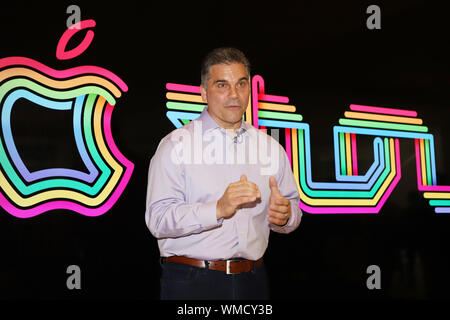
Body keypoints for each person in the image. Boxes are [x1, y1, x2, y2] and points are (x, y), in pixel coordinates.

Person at [145, 47, 302, 300]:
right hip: (192, 282)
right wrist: (217, 208)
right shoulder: (176, 145)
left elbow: (293, 210)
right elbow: (158, 220)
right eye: (222, 85)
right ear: (204, 92)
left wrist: (285, 217)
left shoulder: (270, 148)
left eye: (241, 84)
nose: (234, 94)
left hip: (254, 279)